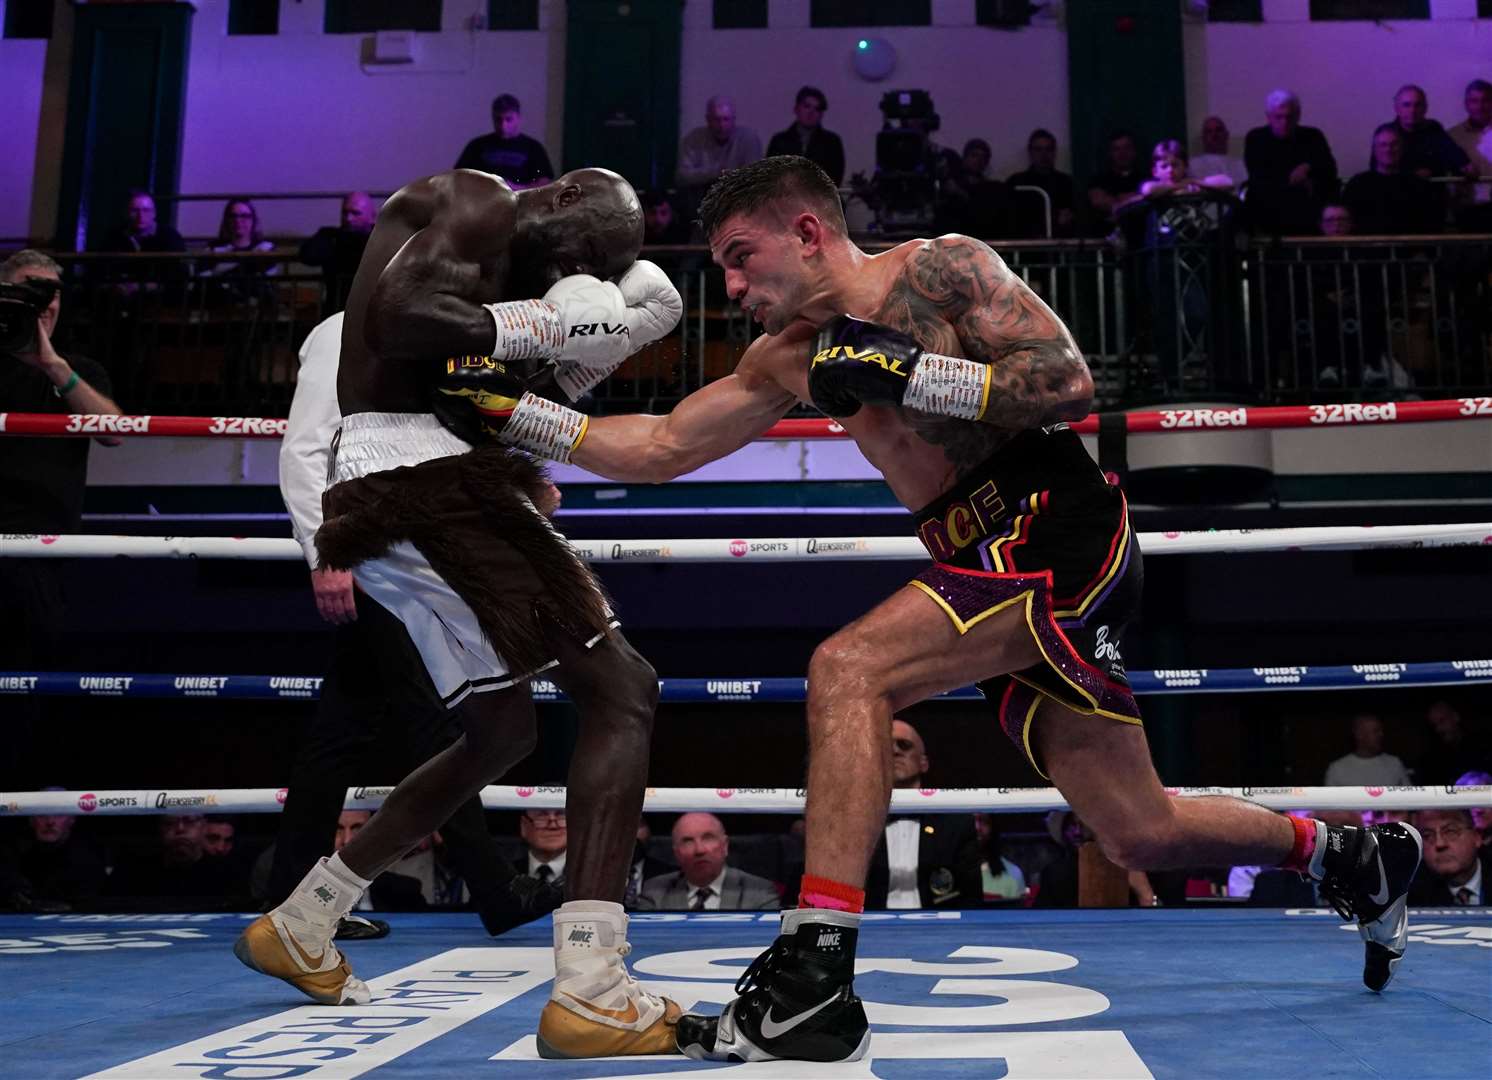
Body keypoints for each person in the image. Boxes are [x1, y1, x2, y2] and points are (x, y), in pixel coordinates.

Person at [472, 155, 1424, 1061]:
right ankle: (1348, 854)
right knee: (1138, 827)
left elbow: (1066, 386)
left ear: (805, 231)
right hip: (974, 554)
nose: (730, 290)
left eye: (739, 258)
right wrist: (500, 409)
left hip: (1052, 523)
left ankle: (815, 965)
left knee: (850, 668)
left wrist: (902, 371)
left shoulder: (942, 270)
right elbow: (657, 447)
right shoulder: (783, 359)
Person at [233, 165, 685, 1061]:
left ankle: (303, 920)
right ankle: (594, 988)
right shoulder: (476, 200)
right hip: (421, 482)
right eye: (587, 254)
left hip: (408, 484)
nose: (579, 274)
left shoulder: (513, 272)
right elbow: (392, 318)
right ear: (559, 200)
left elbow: (482, 393)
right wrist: (549, 322)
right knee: (624, 691)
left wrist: (590, 352)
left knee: (502, 729)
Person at [267, 309, 563, 941]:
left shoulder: (435, 332)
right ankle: (493, 888)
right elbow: (307, 444)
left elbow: (448, 438)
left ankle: (294, 890)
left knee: (345, 725)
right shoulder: (348, 330)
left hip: (420, 542)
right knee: (437, 716)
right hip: (377, 544)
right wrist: (324, 552)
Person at [0, 250, 123, 789]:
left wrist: (52, 364)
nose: (43, 301)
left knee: (24, 690)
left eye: (52, 291)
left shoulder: (77, 372)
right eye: (29, 289)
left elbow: (117, 430)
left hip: (43, 554)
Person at [864, 718, 981, 909]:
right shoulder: (858, 824)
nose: (895, 751)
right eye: (885, 746)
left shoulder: (955, 823)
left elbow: (971, 899)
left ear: (923, 763)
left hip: (939, 931)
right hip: (870, 929)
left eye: (904, 745)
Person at [635, 813, 782, 911]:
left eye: (708, 838)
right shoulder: (654, 892)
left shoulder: (759, 891)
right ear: (676, 852)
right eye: (687, 841)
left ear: (725, 846)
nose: (699, 850)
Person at [1244, 89, 1339, 235]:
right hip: (1269, 210)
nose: (1285, 122)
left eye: (1290, 117)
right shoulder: (1256, 139)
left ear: (1298, 115)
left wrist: (1309, 167)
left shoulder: (1313, 136)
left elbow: (1330, 169)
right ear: (1268, 117)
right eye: (1279, 117)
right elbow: (1260, 176)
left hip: (1308, 209)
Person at [1342, 124, 1444, 235]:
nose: (1388, 149)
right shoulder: (1358, 184)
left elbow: (1430, 222)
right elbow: (1346, 221)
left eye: (1394, 144)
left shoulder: (1419, 185)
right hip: (1366, 249)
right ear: (1375, 150)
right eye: (1383, 145)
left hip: (1408, 249)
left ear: (1402, 148)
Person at [677, 96, 762, 222]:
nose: (721, 125)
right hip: (699, 205)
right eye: (716, 119)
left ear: (733, 120)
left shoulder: (748, 139)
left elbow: (755, 177)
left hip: (739, 204)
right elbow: (682, 176)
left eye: (726, 119)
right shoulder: (693, 139)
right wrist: (716, 172)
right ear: (707, 119)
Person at [298, 192, 378, 313]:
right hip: (337, 309)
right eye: (345, 213)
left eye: (356, 213)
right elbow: (308, 256)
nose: (348, 218)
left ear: (372, 217)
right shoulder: (330, 236)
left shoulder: (383, 239)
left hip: (371, 312)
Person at [454, 93, 555, 189]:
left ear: (518, 118)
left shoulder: (533, 148)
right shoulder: (477, 146)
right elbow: (458, 177)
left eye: (509, 119)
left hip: (519, 203)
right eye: (498, 119)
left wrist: (517, 189)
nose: (503, 125)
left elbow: (544, 183)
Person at [1381, 84, 1473, 179]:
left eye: (1417, 105)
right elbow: (1379, 171)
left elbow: (1452, 152)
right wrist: (1412, 175)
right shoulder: (1386, 134)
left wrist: (1466, 166)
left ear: (1425, 108)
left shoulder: (1433, 128)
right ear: (1397, 109)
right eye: (1407, 105)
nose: (1412, 110)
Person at [765, 86, 845, 186]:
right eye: (807, 106)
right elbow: (770, 176)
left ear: (821, 115)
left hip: (820, 198)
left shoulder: (832, 142)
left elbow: (834, 178)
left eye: (817, 109)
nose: (811, 112)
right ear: (796, 109)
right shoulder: (779, 141)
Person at [1408, 810, 1487, 905]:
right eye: (1428, 835)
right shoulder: (1411, 894)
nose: (1440, 844)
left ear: (1477, 836)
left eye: (1450, 832)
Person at [1007, 128, 1076, 236]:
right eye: (1038, 149)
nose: (1044, 154)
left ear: (1054, 152)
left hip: (1059, 245)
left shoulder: (1066, 182)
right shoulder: (1017, 182)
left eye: (1048, 149)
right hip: (1025, 245)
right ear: (1030, 152)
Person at [1324, 713, 1412, 787]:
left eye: (1381, 730)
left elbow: (1410, 799)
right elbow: (1329, 805)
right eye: (1376, 731)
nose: (1381, 735)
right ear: (1359, 735)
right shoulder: (1337, 769)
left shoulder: (1394, 763)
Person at [1191, 116, 1247, 189]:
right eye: (1209, 131)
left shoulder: (1240, 164)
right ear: (1203, 137)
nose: (1214, 134)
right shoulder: (1193, 164)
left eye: (1218, 130)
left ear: (1226, 135)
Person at [516, 810, 569, 885]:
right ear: (524, 825)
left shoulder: (588, 875)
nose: (553, 826)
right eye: (541, 816)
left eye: (561, 815)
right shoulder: (504, 874)